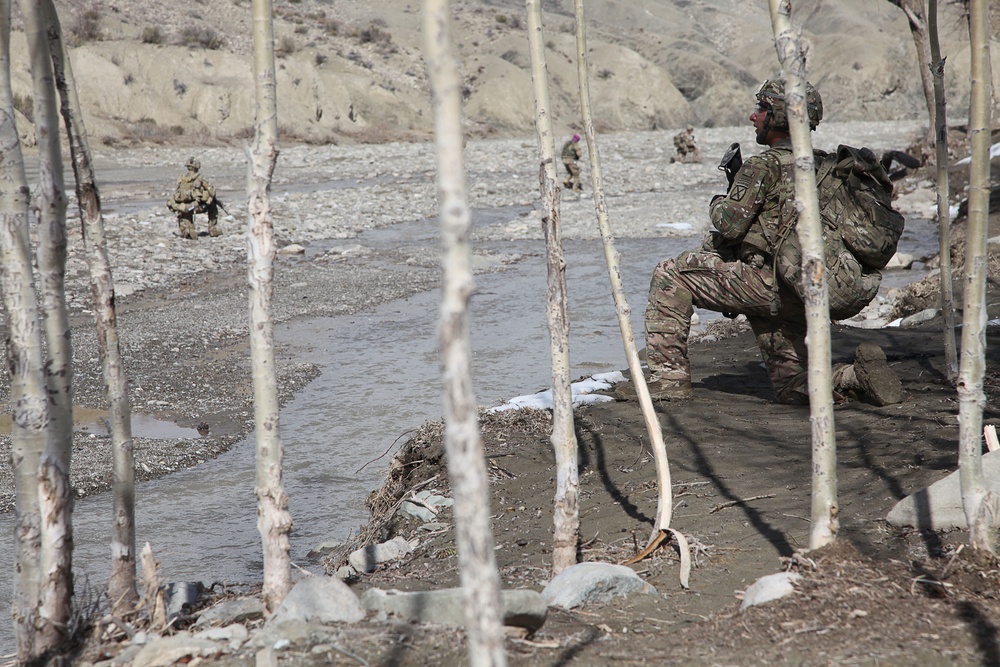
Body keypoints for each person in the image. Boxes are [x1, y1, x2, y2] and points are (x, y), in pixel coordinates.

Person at [628, 78, 904, 406]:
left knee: (671, 274)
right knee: (792, 384)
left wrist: (720, 199)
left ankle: (668, 380)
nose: (753, 116)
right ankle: (853, 377)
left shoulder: (764, 165)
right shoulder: (827, 166)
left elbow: (729, 225)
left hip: (770, 285)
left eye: (761, 108)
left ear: (778, 117)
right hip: (807, 288)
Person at [167, 157, 221, 240]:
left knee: (183, 215)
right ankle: (212, 228)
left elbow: (177, 192)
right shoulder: (200, 178)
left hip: (184, 206)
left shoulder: (181, 178)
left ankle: (187, 230)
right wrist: (209, 199)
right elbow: (212, 190)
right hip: (196, 206)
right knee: (213, 205)